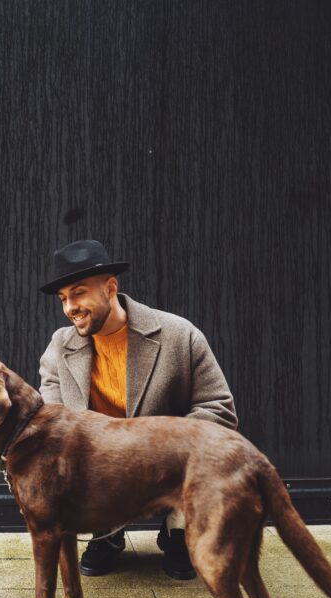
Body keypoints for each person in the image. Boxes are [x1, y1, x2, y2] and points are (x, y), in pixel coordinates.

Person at [37, 239, 238, 580]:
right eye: (63, 299)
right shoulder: (60, 346)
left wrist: (162, 449)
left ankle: (179, 532)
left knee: (214, 454)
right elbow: (52, 420)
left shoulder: (179, 335)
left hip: (168, 468)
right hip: (101, 469)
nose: (70, 307)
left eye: (79, 293)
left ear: (110, 288)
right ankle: (106, 534)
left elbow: (218, 410)